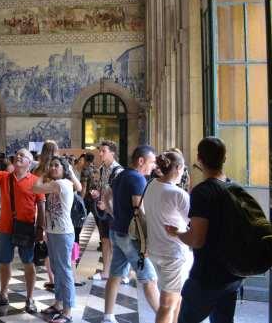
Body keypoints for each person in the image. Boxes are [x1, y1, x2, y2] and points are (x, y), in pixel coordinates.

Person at [167, 137, 243, 323]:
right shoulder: (236, 188)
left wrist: (177, 233)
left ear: (199, 159)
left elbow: (197, 239)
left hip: (206, 276)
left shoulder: (202, 192)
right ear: (224, 159)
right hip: (232, 274)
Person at [0, 148, 45, 314]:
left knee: (28, 262)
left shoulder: (36, 181)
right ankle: (3, 294)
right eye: (17, 154)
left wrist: (40, 228)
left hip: (26, 228)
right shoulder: (4, 177)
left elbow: (41, 206)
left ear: (29, 163)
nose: (18, 156)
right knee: (4, 262)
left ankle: (30, 298)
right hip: (6, 227)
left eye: (23, 155)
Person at [102, 145, 160, 322]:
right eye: (151, 162)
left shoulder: (121, 175)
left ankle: (108, 316)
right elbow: (139, 211)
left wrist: (114, 214)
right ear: (141, 161)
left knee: (115, 275)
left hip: (117, 232)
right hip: (131, 238)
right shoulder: (137, 179)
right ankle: (166, 317)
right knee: (149, 279)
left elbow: (106, 196)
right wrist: (146, 242)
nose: (153, 166)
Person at [143, 151, 191, 323]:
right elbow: (192, 223)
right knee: (167, 305)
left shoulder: (151, 186)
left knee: (176, 300)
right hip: (173, 253)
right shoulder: (178, 194)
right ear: (177, 168)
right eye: (183, 168)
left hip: (156, 250)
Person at [33, 156, 76, 322]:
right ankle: (58, 303)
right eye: (51, 165)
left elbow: (35, 188)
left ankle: (68, 311)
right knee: (57, 270)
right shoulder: (57, 184)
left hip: (63, 233)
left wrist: (43, 172)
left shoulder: (61, 184)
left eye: (56, 165)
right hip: (54, 232)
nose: (53, 168)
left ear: (64, 169)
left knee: (64, 271)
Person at [91, 140, 123, 281]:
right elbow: (103, 188)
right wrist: (97, 195)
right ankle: (106, 271)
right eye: (100, 151)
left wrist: (108, 205)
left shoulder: (118, 171)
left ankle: (121, 273)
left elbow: (119, 194)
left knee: (117, 243)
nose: (100, 153)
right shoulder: (102, 168)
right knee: (104, 240)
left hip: (114, 212)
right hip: (104, 211)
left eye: (104, 151)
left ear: (112, 152)